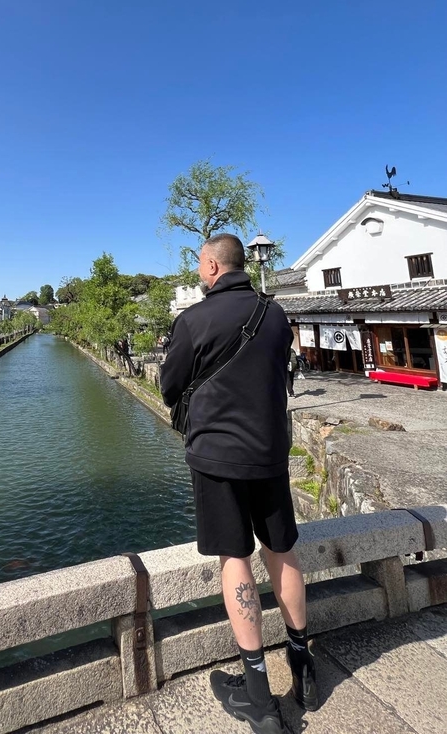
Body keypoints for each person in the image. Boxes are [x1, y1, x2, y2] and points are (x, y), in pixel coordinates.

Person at [160, 235, 317, 734]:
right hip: (271, 453)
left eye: (201, 266)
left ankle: (256, 693)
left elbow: (169, 386)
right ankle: (302, 663)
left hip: (217, 458)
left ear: (211, 266)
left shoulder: (193, 320)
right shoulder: (274, 313)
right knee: (281, 550)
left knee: (236, 558)